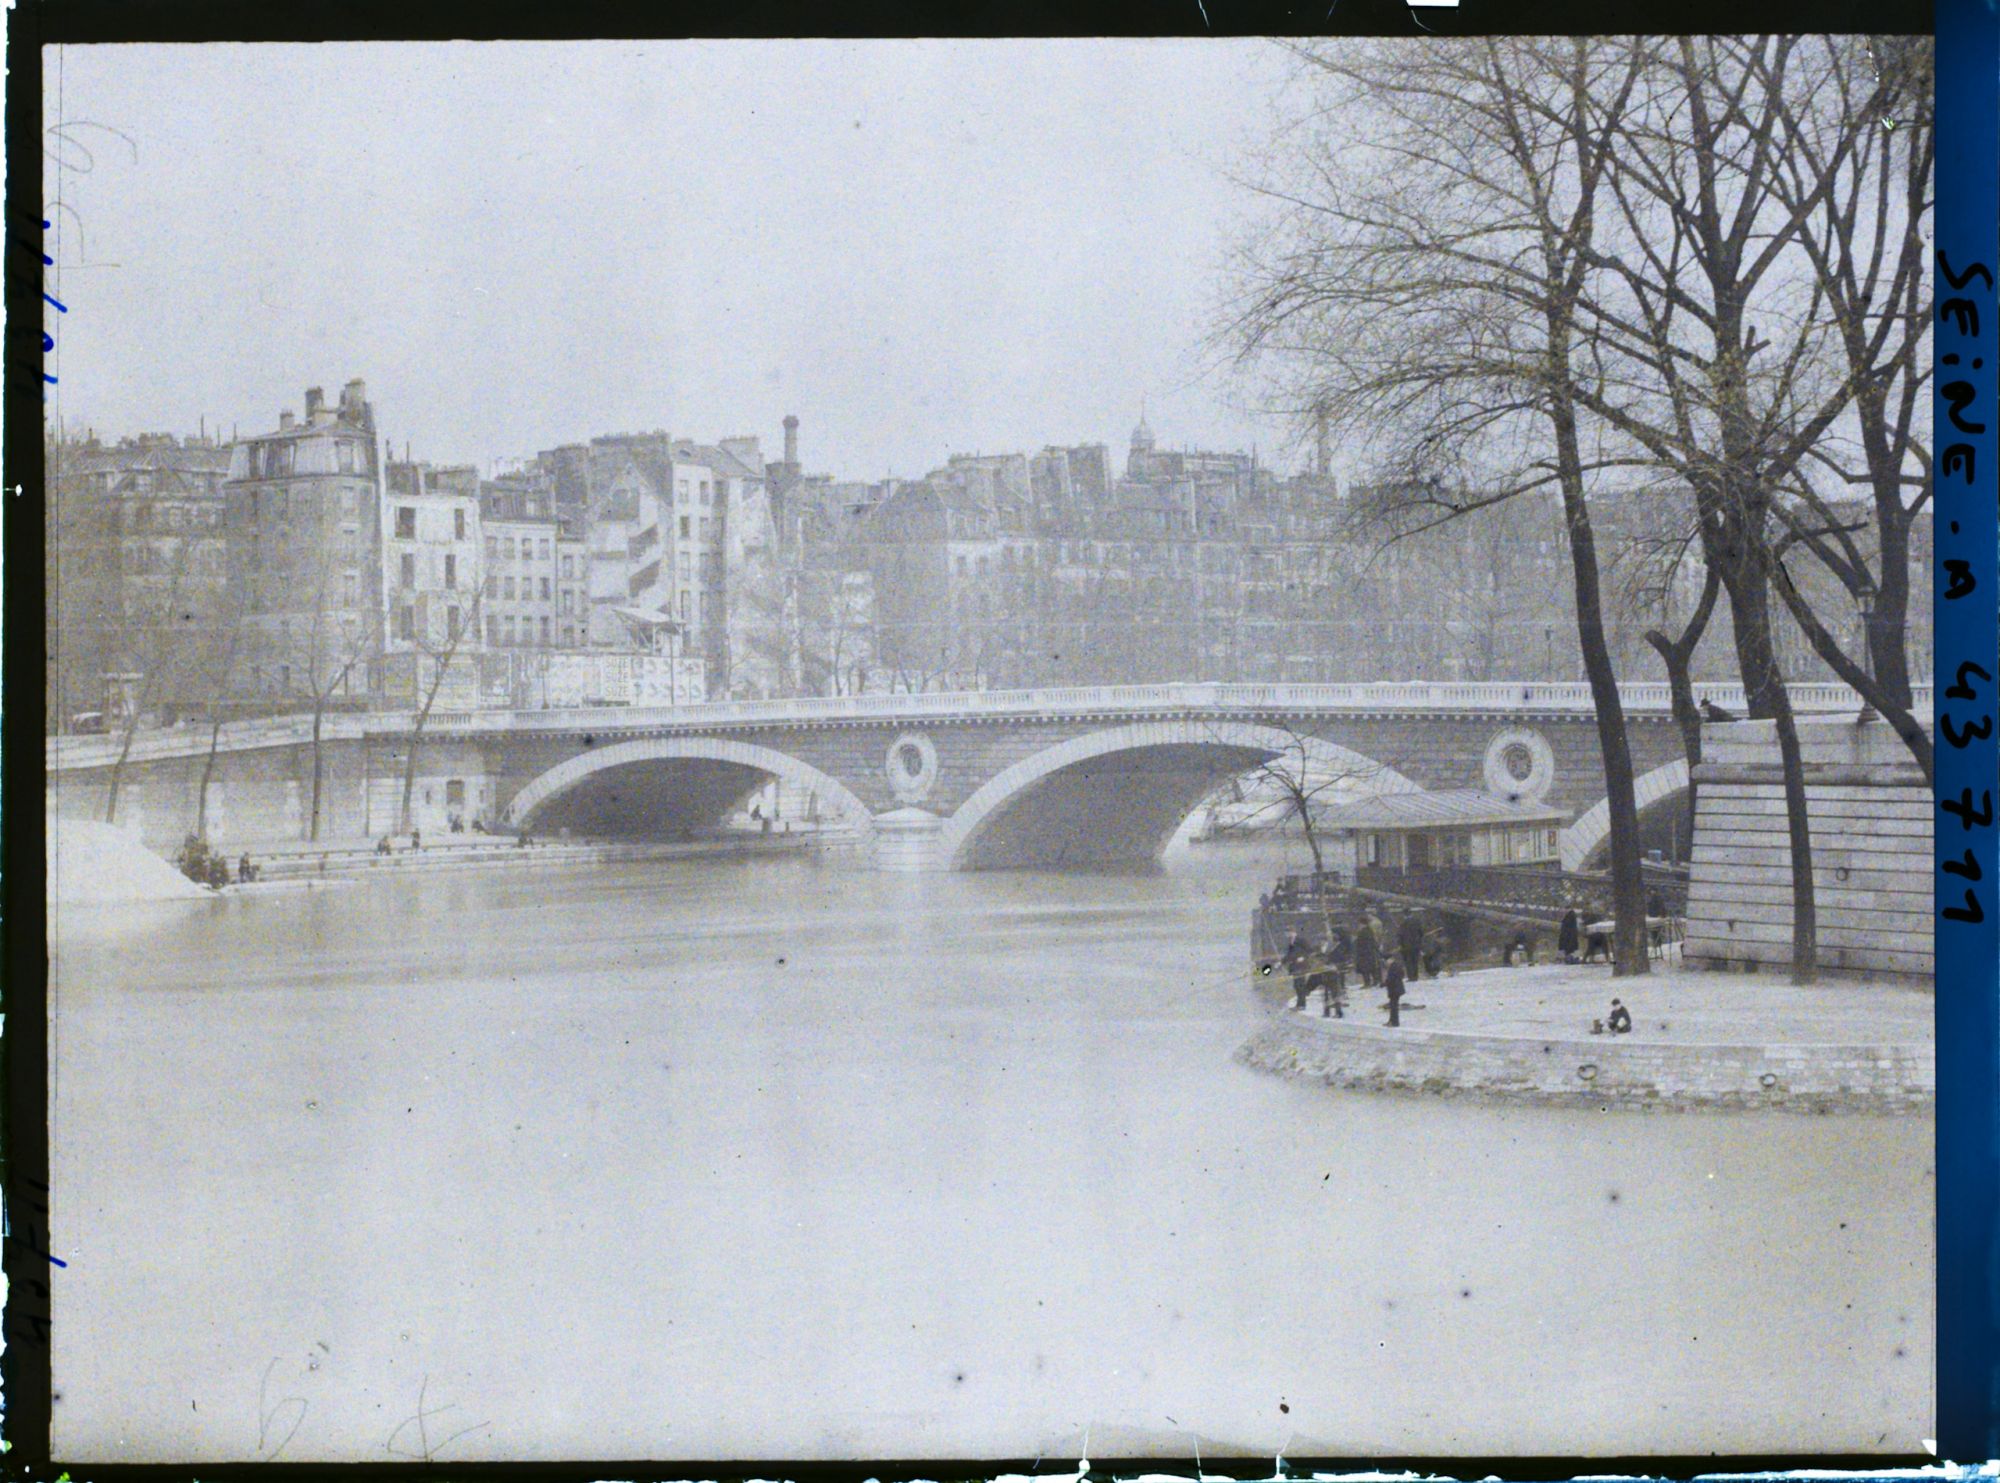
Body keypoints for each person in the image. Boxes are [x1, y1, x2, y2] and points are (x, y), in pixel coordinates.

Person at [1398, 913, 1424, 984]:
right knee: (1415, 961)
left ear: (1404, 915)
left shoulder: (1403, 924)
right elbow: (1421, 932)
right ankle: (1415, 976)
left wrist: (1400, 944)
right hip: (1416, 944)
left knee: (1408, 961)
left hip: (1406, 946)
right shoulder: (1417, 922)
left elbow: (1400, 935)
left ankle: (1411, 976)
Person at [1354, 919, 1380, 988]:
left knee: (1365, 969)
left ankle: (1367, 983)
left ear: (1362, 924)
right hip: (1370, 952)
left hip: (1363, 953)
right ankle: (1375, 981)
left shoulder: (1362, 932)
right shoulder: (1370, 931)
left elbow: (1359, 943)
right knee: (1372, 967)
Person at [1383, 953, 1407, 1027]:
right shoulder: (1397, 965)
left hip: (1394, 989)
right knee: (1393, 1006)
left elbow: (1391, 979)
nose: (1385, 963)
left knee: (1394, 1007)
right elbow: (1402, 974)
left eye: (1386, 961)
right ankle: (1391, 1020)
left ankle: (1394, 1022)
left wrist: (1385, 983)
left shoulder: (1393, 967)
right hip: (1397, 988)